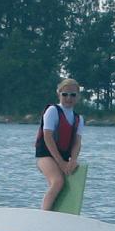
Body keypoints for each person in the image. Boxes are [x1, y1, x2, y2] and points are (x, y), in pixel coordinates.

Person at [36, 78, 84, 210]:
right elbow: (48, 137)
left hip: (63, 157)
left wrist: (73, 160)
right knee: (58, 182)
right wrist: (61, 163)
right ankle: (44, 215)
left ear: (78, 96)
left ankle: (57, 212)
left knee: (64, 183)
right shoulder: (52, 110)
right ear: (59, 94)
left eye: (73, 95)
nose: (69, 98)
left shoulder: (79, 119)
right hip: (45, 155)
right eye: (65, 94)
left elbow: (77, 143)